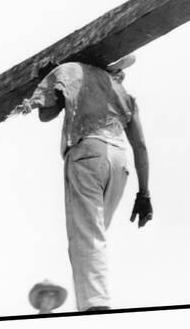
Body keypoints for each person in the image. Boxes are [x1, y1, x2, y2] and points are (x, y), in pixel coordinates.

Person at [13, 54, 153, 311]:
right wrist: (144, 194)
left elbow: (46, 114)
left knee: (86, 237)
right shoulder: (122, 92)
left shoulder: (72, 72)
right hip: (119, 162)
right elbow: (141, 147)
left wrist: (51, 77)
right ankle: (94, 301)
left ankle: (96, 307)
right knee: (94, 235)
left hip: (88, 152)